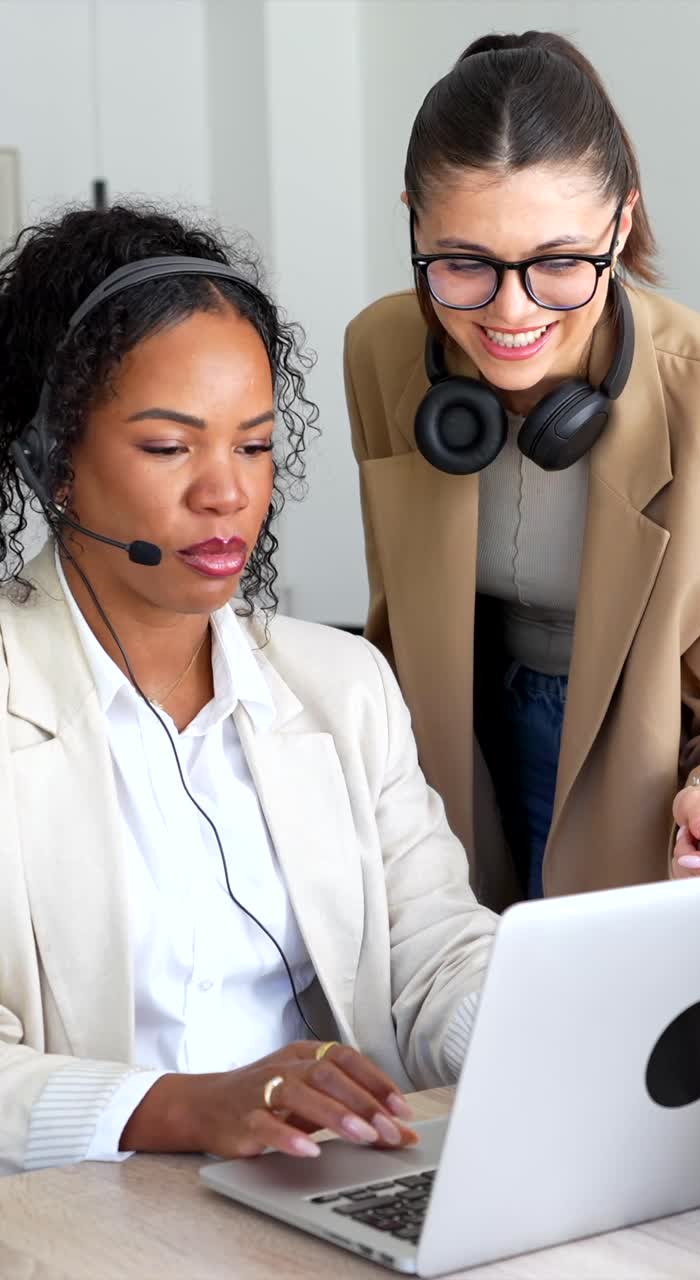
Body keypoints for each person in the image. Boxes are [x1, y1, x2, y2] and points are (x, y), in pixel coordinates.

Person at [0, 205, 496, 1176]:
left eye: (256, 443)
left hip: (327, 1188)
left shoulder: (341, 686)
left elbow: (435, 955)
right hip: (90, 1223)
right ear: (53, 460)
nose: (226, 491)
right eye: (169, 446)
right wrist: (186, 1105)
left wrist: (544, 1025)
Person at [344, 30, 700, 909]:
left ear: (620, 224)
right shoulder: (382, 351)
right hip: (449, 744)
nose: (511, 313)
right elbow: (397, 624)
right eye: (464, 263)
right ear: (413, 221)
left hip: (640, 755)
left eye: (559, 263)